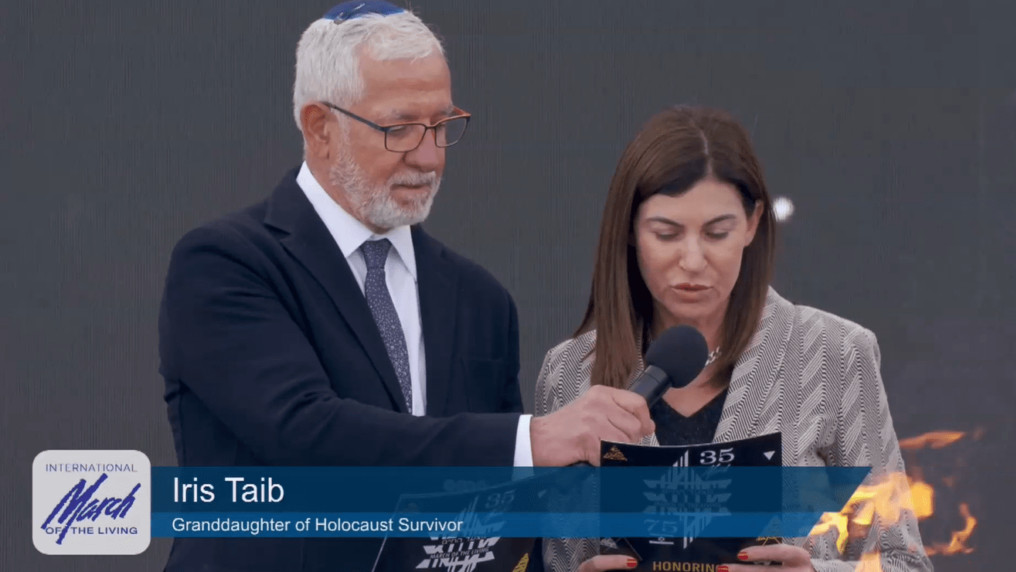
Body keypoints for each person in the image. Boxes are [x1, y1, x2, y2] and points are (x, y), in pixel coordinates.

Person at [157, 2, 653, 570]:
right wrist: (528, 443)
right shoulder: (226, 264)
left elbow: (502, 520)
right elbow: (306, 436)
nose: (429, 156)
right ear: (320, 127)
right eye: (400, 129)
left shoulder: (479, 300)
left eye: (441, 125)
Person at [534, 105, 933, 572]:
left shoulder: (835, 352)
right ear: (629, 232)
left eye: (716, 233)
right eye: (666, 234)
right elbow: (546, 558)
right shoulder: (571, 372)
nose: (693, 260)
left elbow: (904, 561)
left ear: (752, 223)